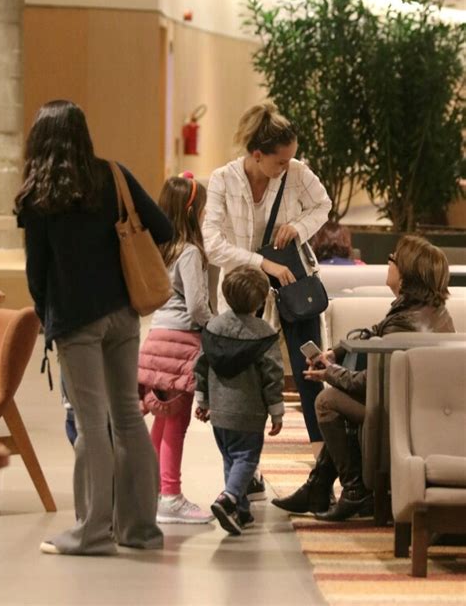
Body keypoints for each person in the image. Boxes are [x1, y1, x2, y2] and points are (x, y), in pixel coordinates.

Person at [15, 100, 173, 555]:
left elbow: (36, 271)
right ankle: (141, 530)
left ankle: (91, 532)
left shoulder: (39, 194)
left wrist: (51, 321)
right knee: (127, 416)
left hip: (75, 320)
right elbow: (161, 227)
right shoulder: (112, 174)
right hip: (123, 314)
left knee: (90, 425)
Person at [272, 235, 454, 521]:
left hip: (402, 413)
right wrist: (336, 353)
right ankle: (318, 487)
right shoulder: (425, 311)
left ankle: (355, 490)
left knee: (327, 401)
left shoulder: (406, 323)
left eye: (393, 258)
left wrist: (328, 373)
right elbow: (376, 330)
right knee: (338, 400)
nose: (388, 262)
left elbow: (370, 383)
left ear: (405, 274)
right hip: (411, 406)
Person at [203, 102, 331, 467]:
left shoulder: (296, 172)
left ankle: (323, 460)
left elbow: (322, 205)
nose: (286, 168)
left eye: (291, 159)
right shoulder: (223, 180)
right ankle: (244, 467)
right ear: (257, 155)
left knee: (310, 370)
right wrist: (263, 263)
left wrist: (299, 227)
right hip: (246, 289)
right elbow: (212, 244)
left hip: (294, 285)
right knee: (243, 377)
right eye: (279, 162)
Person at [138, 173, 213, 524]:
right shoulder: (190, 252)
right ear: (191, 210)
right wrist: (216, 325)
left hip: (157, 337)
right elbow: (197, 306)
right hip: (183, 342)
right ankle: (170, 495)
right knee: (177, 422)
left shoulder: (159, 249)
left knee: (161, 420)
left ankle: (151, 491)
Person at [194, 266, 285, 536]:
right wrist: (277, 411)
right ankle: (229, 497)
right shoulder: (264, 334)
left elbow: (201, 365)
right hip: (249, 412)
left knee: (230, 459)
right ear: (259, 302)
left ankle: (241, 511)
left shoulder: (213, 327)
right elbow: (272, 376)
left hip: (219, 412)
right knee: (246, 458)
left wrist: (203, 399)